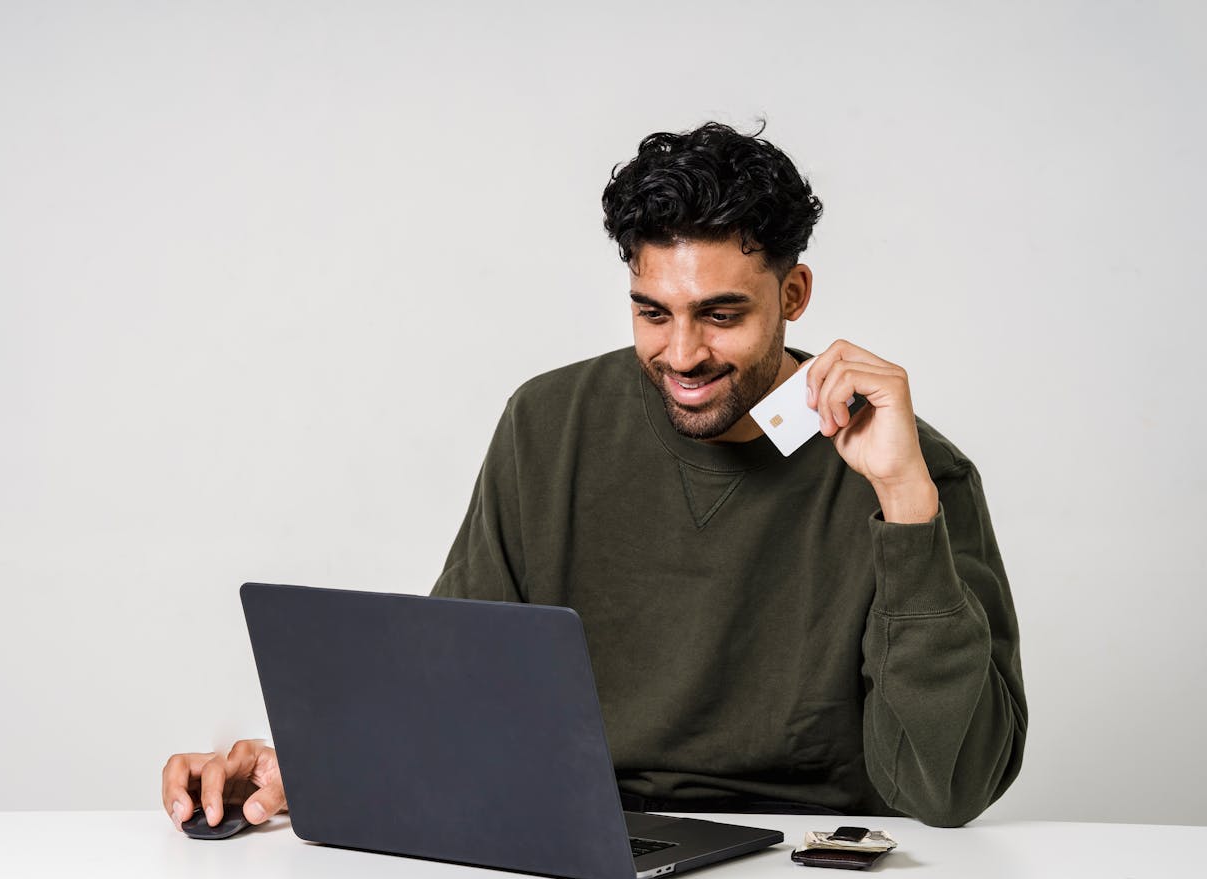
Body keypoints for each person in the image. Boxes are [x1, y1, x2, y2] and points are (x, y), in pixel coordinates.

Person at [163, 122, 1026, 832]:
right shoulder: (550, 424)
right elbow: (455, 689)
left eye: (721, 315)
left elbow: (948, 790)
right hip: (582, 847)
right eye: (654, 312)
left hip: (808, 866)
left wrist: (906, 506)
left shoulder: (915, 470)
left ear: (793, 293)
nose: (682, 354)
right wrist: (302, 764)